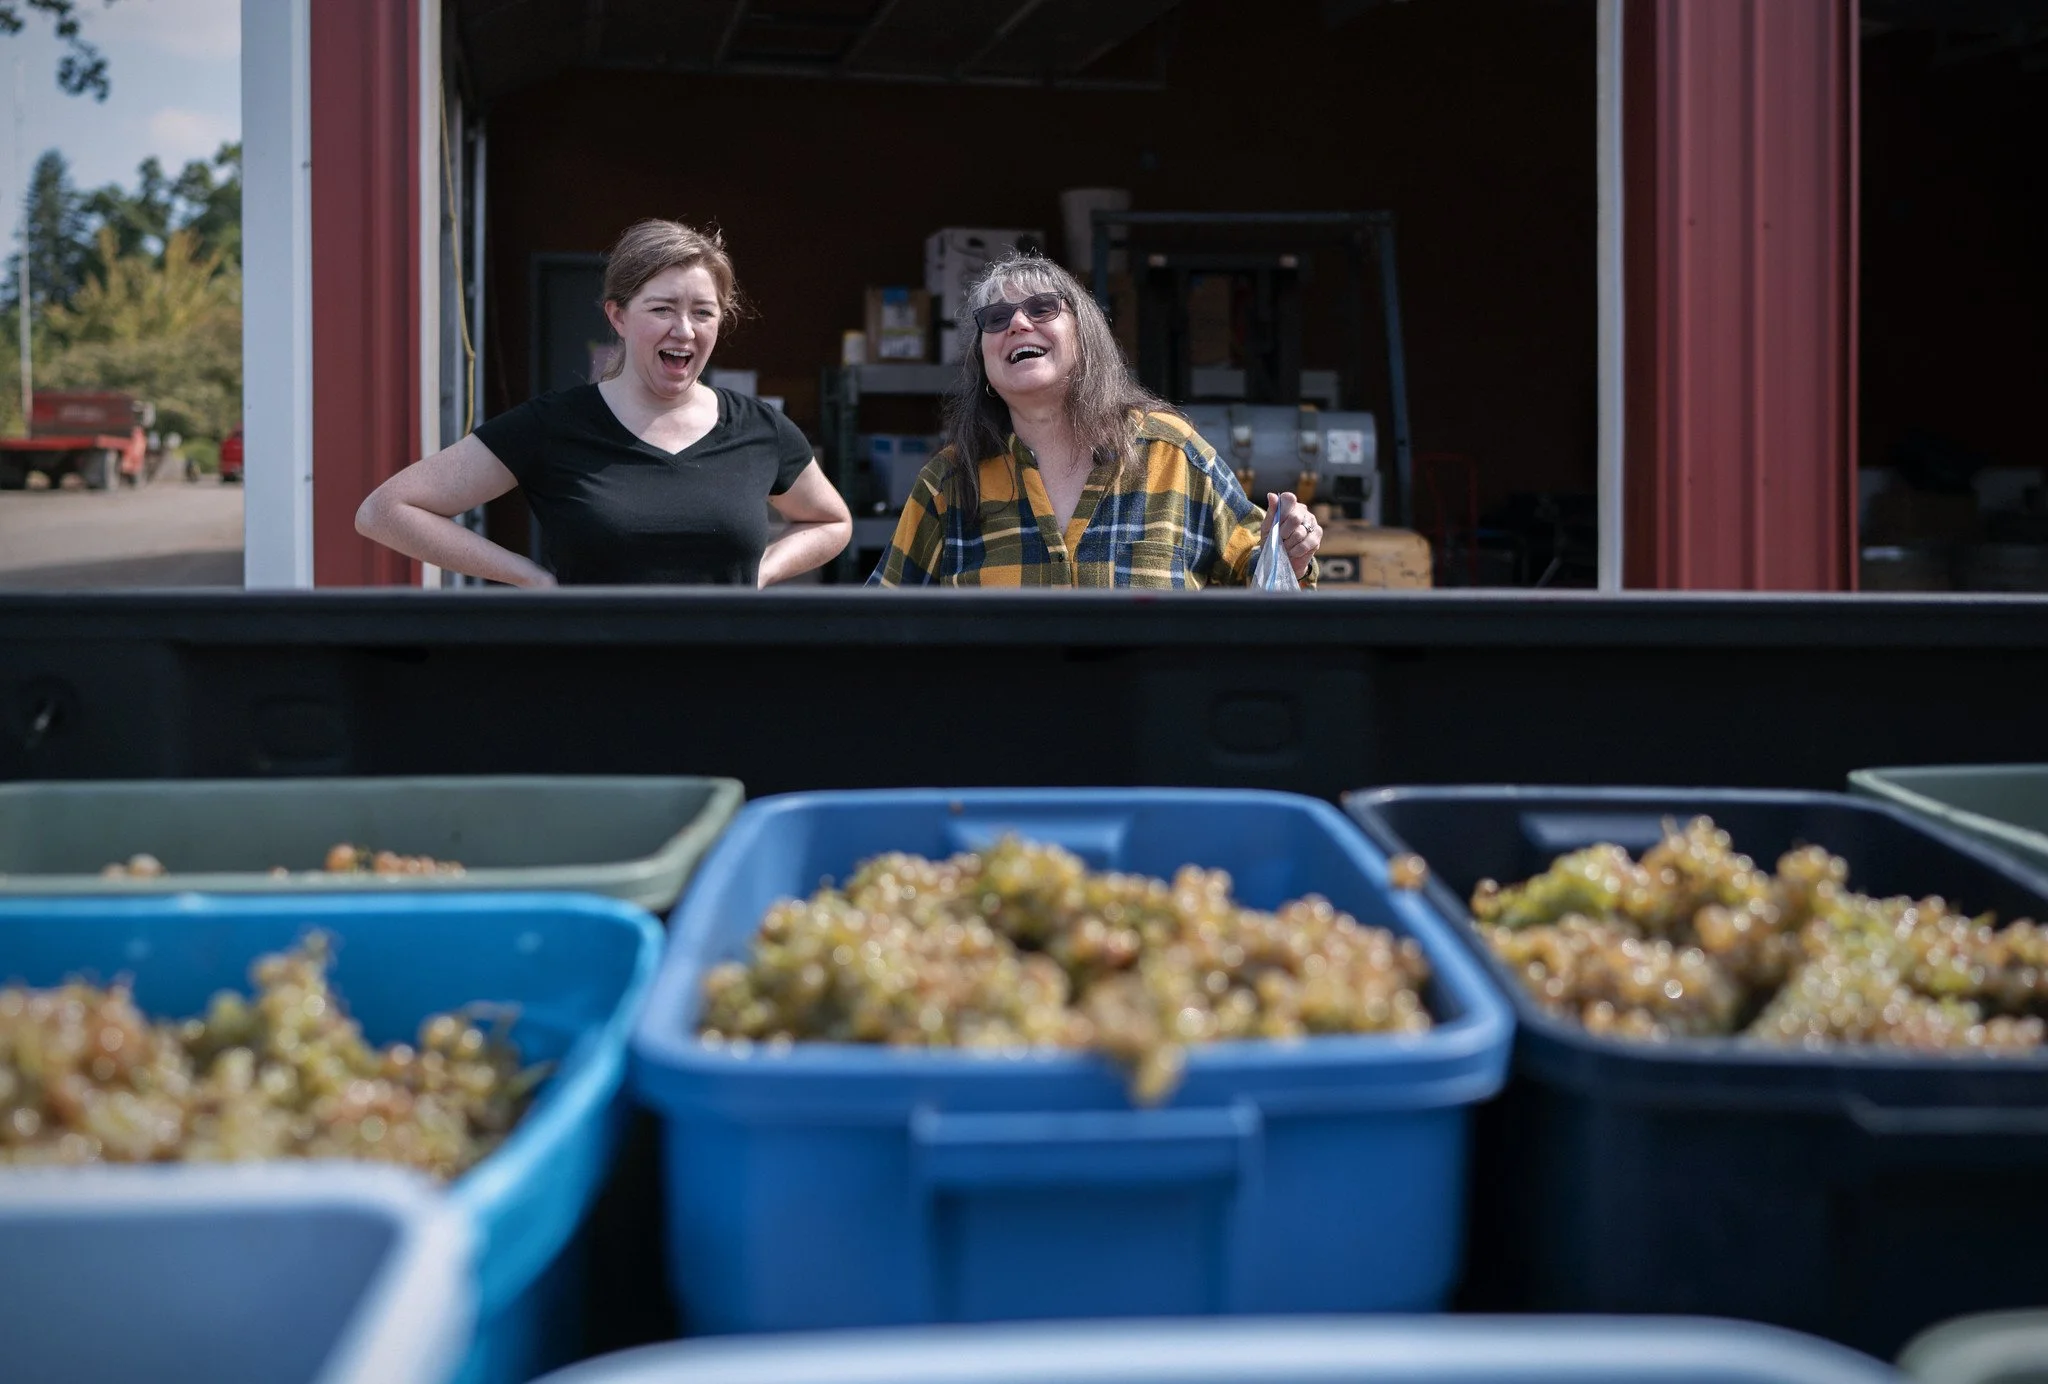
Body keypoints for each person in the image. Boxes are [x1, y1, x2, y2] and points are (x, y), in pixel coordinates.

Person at [357, 219, 851, 587]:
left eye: (703, 312)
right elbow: (385, 511)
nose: (684, 330)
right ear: (618, 316)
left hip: (727, 688)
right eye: (661, 309)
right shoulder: (554, 424)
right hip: (590, 691)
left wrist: (761, 572)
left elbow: (832, 521)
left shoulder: (760, 429)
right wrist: (533, 579)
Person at [867, 253, 1320, 588]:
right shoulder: (949, 480)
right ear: (982, 364)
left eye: (1042, 307)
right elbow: (878, 623)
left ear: (1086, 339)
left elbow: (1265, 582)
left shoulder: (1172, 453)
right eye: (996, 318)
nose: (1018, 323)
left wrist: (1290, 552)